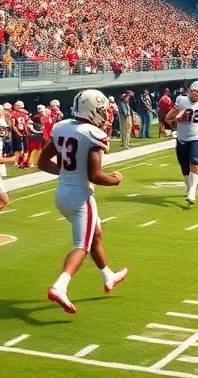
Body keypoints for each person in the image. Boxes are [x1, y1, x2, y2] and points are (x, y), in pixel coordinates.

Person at [41, 89, 128, 313]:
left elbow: (41, 162)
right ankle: (60, 286)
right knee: (82, 246)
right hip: (81, 197)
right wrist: (116, 179)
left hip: (62, 194)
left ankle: (108, 275)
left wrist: (65, 175)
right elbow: (95, 175)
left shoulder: (61, 127)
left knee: (96, 233)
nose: (104, 114)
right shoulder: (92, 134)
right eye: (100, 110)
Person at [168, 81, 198, 205]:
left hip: (197, 138)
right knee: (184, 167)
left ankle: (192, 191)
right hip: (182, 138)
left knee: (194, 162)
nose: (197, 95)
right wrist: (176, 119)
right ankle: (189, 186)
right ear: (190, 90)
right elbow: (169, 118)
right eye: (195, 92)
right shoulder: (181, 101)